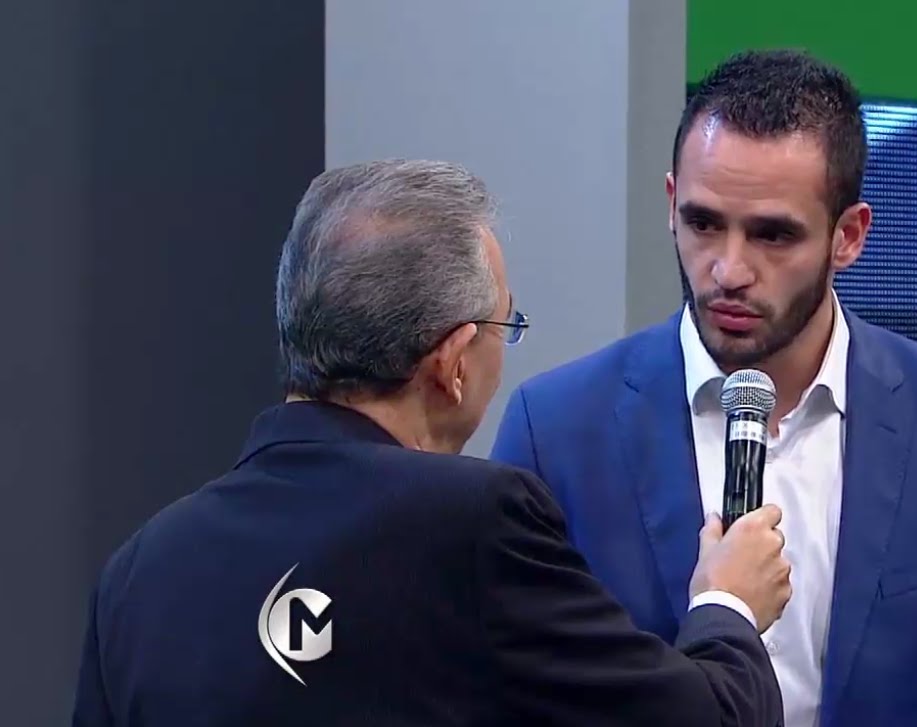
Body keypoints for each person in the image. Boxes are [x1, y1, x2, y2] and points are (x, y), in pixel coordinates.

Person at [70, 159, 792, 726]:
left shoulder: (137, 575)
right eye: (506, 326)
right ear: (451, 361)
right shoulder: (472, 523)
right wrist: (727, 603)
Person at [491, 50, 917, 727]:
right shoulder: (557, 429)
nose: (728, 270)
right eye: (703, 223)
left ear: (848, 236)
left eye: (772, 235)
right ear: (671, 203)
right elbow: (502, 695)